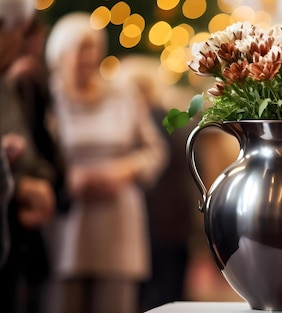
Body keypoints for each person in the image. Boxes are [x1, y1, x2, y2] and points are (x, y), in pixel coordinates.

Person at [45, 13, 167, 313]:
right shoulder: (48, 98)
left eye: (93, 48)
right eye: (80, 49)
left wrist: (123, 171)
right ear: (59, 54)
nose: (88, 57)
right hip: (68, 218)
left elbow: (155, 150)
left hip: (118, 218)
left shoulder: (123, 95)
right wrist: (65, 178)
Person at [116, 55, 196, 311]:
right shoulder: (176, 120)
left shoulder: (140, 124)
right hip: (178, 221)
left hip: (149, 223)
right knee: (174, 295)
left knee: (149, 299)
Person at [1, 0, 57, 311]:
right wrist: (22, 186)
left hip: (15, 236)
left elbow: (34, 152)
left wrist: (41, 181)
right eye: (19, 35)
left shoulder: (6, 84)